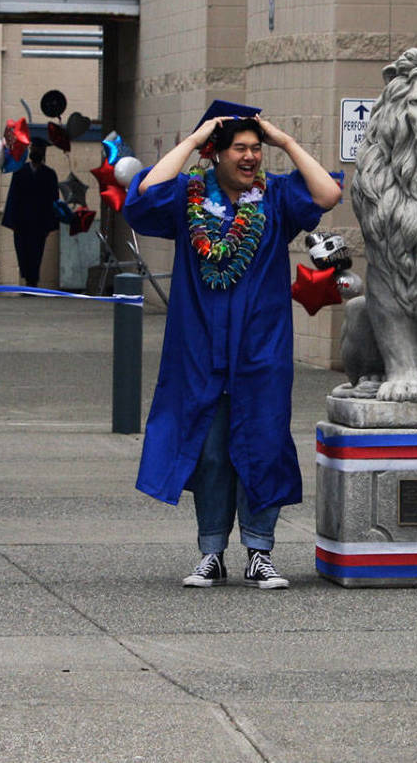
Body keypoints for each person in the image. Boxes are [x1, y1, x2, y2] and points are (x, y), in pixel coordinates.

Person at [122, 102, 341, 589]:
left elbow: (327, 194)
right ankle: (212, 552)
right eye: (240, 148)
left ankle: (260, 551)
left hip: (260, 349)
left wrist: (283, 141)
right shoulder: (187, 197)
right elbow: (142, 199)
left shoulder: (277, 197)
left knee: (262, 444)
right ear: (216, 155)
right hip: (199, 347)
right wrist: (193, 140)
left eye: (255, 149)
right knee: (211, 452)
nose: (250, 157)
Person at [1, 137, 59, 288]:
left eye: (39, 150)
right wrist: (11, 221)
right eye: (34, 149)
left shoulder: (49, 175)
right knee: (22, 252)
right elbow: (13, 196)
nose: (36, 152)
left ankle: (32, 282)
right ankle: (27, 278)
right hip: (22, 222)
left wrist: (50, 225)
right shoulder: (20, 172)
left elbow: (53, 201)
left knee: (36, 252)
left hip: (39, 223)